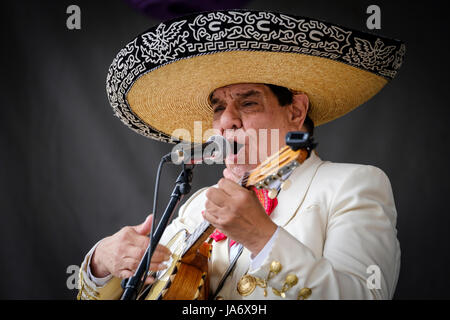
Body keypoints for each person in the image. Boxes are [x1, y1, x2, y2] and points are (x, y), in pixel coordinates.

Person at [78, 9, 405, 300]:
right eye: (218, 108)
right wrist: (101, 263)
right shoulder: (197, 205)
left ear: (296, 111)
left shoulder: (353, 184)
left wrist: (262, 238)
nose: (225, 121)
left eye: (248, 103)